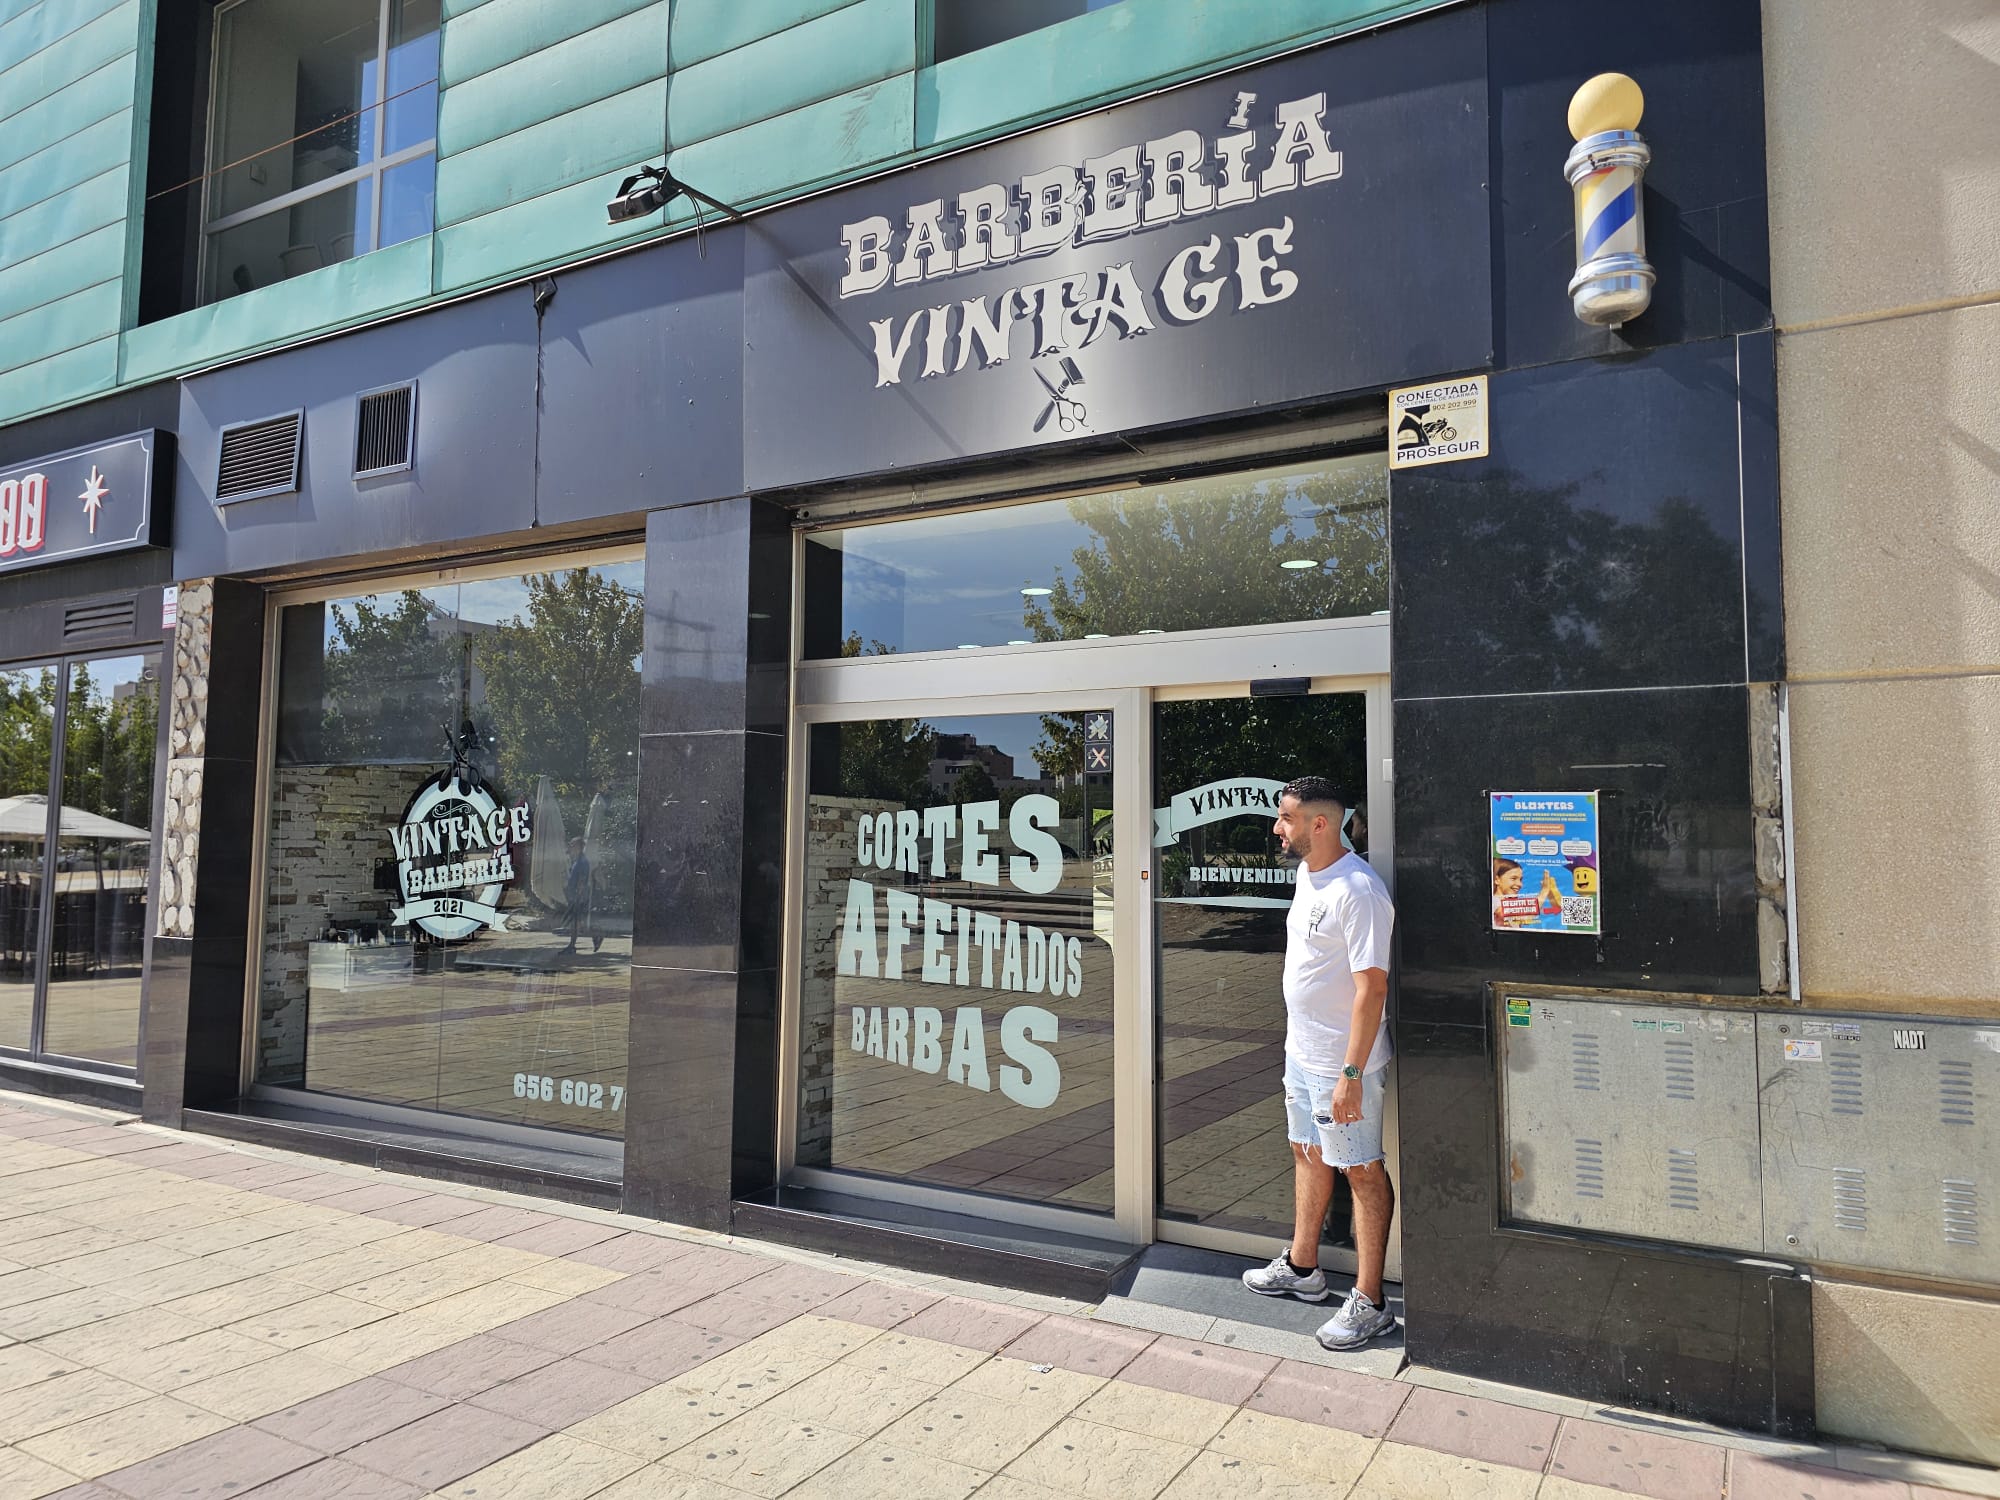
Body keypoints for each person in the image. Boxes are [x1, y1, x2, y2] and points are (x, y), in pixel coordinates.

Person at [1242, 775, 1399, 1351]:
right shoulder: (1311, 877)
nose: (1277, 828)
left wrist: (1351, 1076)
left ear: (1320, 824)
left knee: (1361, 1171)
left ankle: (1371, 1301)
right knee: (1307, 1153)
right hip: (1302, 1055)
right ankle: (1304, 1267)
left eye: (1285, 818)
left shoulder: (1357, 890)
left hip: (1343, 1066)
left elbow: (1371, 990)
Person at [561, 836, 596, 956]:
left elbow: (581, 881)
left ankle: (572, 946)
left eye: (573, 845)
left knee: (575, 922)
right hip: (575, 896)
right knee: (578, 922)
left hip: (578, 897)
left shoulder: (582, 862)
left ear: (580, 847)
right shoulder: (577, 860)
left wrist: (577, 897)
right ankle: (595, 936)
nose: (571, 847)